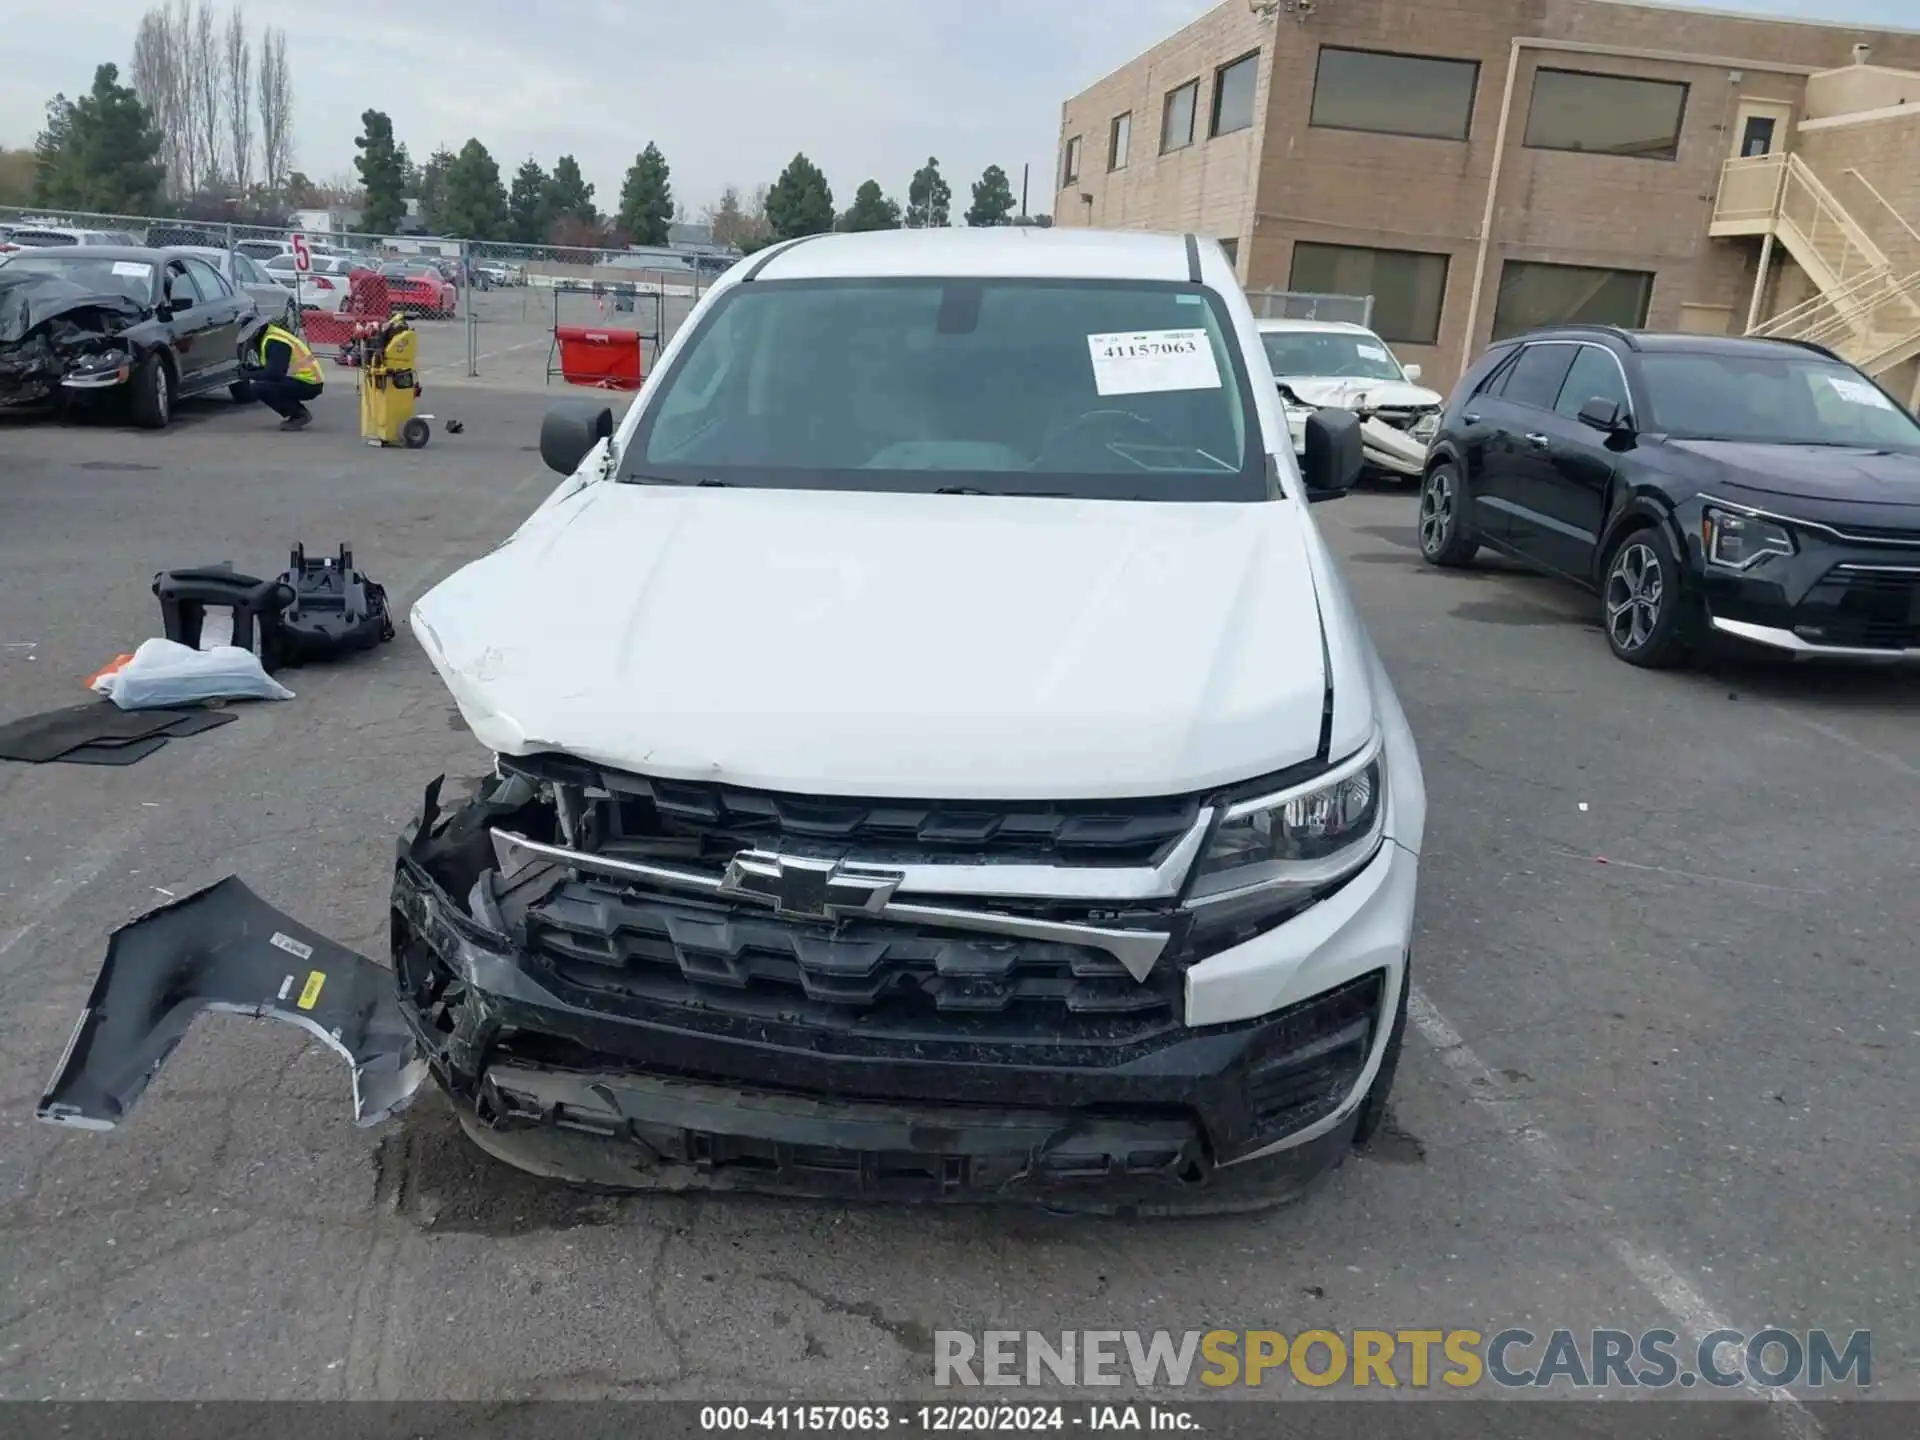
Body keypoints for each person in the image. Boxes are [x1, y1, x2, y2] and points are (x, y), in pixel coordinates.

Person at [237, 315, 324, 430]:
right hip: (302, 379)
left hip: (308, 382)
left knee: (259, 387)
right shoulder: (270, 336)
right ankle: (298, 412)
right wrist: (252, 370)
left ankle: (299, 415)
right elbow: (273, 368)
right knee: (264, 384)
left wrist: (249, 374)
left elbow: (274, 374)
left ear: (256, 330)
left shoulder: (275, 341)